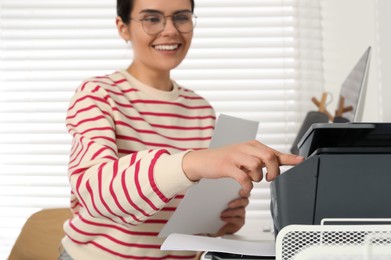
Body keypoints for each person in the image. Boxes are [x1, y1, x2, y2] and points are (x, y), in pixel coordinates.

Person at [59, 0, 304, 259]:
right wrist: (191, 163)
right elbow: (95, 193)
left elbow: (187, 216)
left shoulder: (200, 109)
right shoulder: (98, 94)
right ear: (123, 28)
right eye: (152, 19)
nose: (170, 30)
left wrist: (220, 223)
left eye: (181, 17)